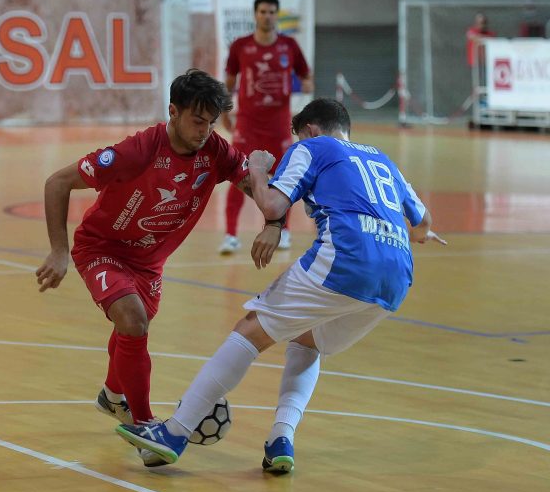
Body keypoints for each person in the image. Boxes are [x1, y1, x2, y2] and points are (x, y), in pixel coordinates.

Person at [116, 98, 447, 472]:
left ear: (310, 130)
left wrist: (258, 170)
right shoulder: (383, 160)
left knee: (250, 331)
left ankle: (175, 432)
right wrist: (416, 236)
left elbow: (273, 206)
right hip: (397, 275)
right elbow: (423, 222)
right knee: (308, 340)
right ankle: (281, 439)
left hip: (346, 259)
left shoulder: (312, 147)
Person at [35, 69, 274, 466]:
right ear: (173, 112)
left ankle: (113, 396)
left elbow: (252, 184)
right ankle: (147, 427)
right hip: (101, 249)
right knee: (133, 321)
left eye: (212, 122)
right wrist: (58, 251)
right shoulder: (136, 152)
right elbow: (56, 182)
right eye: (197, 121)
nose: (205, 131)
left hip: (149, 263)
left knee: (131, 327)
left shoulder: (215, 150)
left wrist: (272, 217)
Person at [219, 0, 313, 255]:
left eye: (272, 12)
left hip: (279, 125)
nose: (267, 16)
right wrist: (226, 110)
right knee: (239, 175)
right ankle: (230, 235)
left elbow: (307, 78)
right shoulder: (240, 46)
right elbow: (229, 82)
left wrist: (299, 86)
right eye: (263, 12)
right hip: (248, 125)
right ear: (255, 14)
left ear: (276, 15)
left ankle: (283, 230)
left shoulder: (289, 46)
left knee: (284, 178)